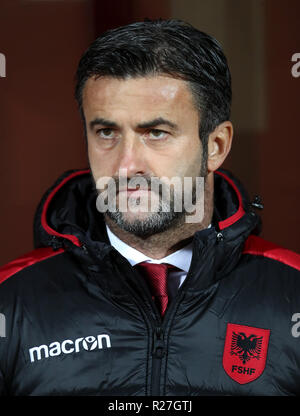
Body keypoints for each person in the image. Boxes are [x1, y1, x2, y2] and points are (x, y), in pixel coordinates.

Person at [0, 19, 300, 397]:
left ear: (216, 146)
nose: (126, 166)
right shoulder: (11, 302)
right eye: (106, 132)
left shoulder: (292, 293)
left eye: (156, 133)